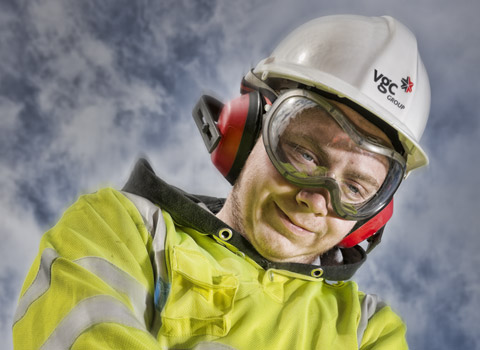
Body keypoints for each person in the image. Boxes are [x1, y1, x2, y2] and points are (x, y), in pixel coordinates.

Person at [12, 14, 430, 349]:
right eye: (304, 153)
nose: (318, 200)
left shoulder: (368, 331)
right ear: (247, 129)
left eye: (355, 188)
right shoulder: (121, 228)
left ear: (375, 215)